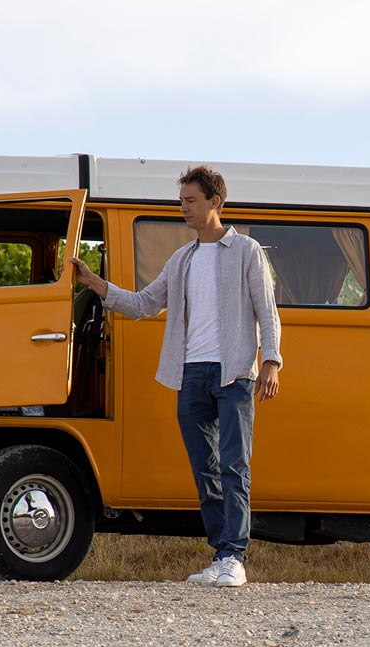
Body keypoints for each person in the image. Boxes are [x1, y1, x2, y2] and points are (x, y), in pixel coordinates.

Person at [70, 166, 281, 587]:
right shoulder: (182, 259)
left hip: (235, 373)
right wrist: (95, 283)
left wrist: (271, 361)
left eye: (190, 200)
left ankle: (235, 558)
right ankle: (222, 554)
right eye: (181, 200)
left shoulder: (247, 251)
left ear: (214, 202)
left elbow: (267, 310)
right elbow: (144, 304)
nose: (182, 207)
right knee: (205, 469)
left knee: (235, 466)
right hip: (191, 375)